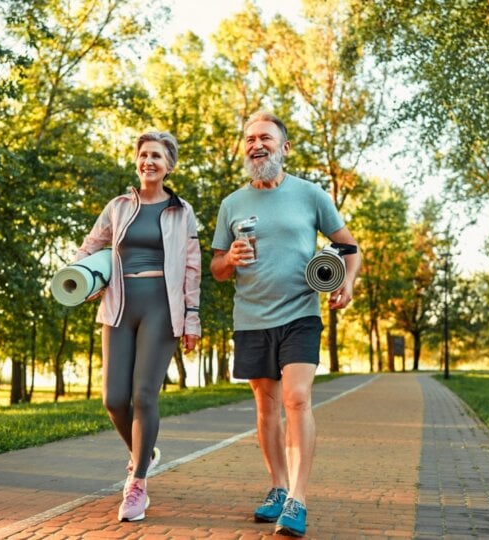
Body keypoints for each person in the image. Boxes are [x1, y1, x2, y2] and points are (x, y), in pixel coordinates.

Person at [210, 111, 360, 537]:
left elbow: (349, 248)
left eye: (266, 138)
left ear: (284, 147)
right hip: (252, 316)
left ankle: (298, 498)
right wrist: (229, 260)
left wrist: (346, 283)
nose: (256, 144)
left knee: (296, 399)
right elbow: (217, 268)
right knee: (266, 406)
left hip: (300, 313)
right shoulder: (231, 204)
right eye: (249, 138)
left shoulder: (310, 194)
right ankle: (277, 485)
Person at [75, 131, 201, 522]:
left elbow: (193, 266)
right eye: (144, 155)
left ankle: (138, 484)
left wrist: (192, 317)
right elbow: (90, 246)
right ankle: (143, 451)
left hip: (162, 308)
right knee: (114, 399)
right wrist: (82, 276)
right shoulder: (118, 207)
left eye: (157, 156)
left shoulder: (182, 211)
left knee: (144, 395)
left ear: (169, 165)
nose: (149, 161)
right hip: (119, 305)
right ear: (137, 161)